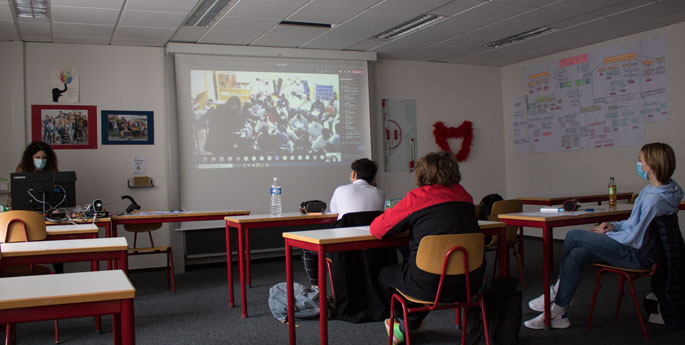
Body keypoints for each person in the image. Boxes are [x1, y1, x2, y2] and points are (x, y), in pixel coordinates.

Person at [524, 142, 683, 330]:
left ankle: (556, 291)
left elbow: (634, 238)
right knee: (577, 255)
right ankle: (560, 312)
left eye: (640, 160)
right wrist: (613, 226)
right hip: (634, 247)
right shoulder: (664, 190)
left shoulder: (655, 200)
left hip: (637, 255)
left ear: (650, 165)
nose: (638, 163)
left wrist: (605, 237)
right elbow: (634, 224)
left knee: (574, 235)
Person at [370, 150, 484, 344]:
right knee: (422, 271)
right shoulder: (466, 197)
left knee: (385, 275)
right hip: (470, 281)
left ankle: (404, 323)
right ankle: (410, 321)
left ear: (422, 174)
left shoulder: (418, 198)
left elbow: (378, 229)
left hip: (428, 285)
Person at [302, 158, 385, 289]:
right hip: (372, 248)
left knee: (307, 248)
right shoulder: (380, 193)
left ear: (354, 174)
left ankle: (315, 288)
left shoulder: (340, 190)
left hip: (342, 248)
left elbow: (335, 212)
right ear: (373, 178)